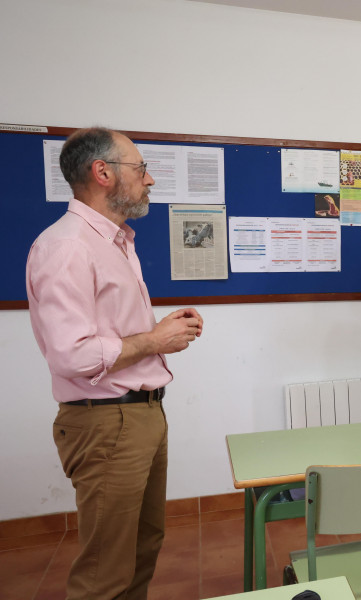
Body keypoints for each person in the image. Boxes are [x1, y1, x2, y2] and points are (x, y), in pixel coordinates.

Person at [25, 127, 204, 600]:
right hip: (107, 422)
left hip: (140, 414)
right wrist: (153, 339)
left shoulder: (117, 241)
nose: (149, 181)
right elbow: (71, 354)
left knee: (143, 548)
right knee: (105, 570)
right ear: (102, 173)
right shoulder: (66, 247)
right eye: (140, 168)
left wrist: (163, 334)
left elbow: (111, 333)